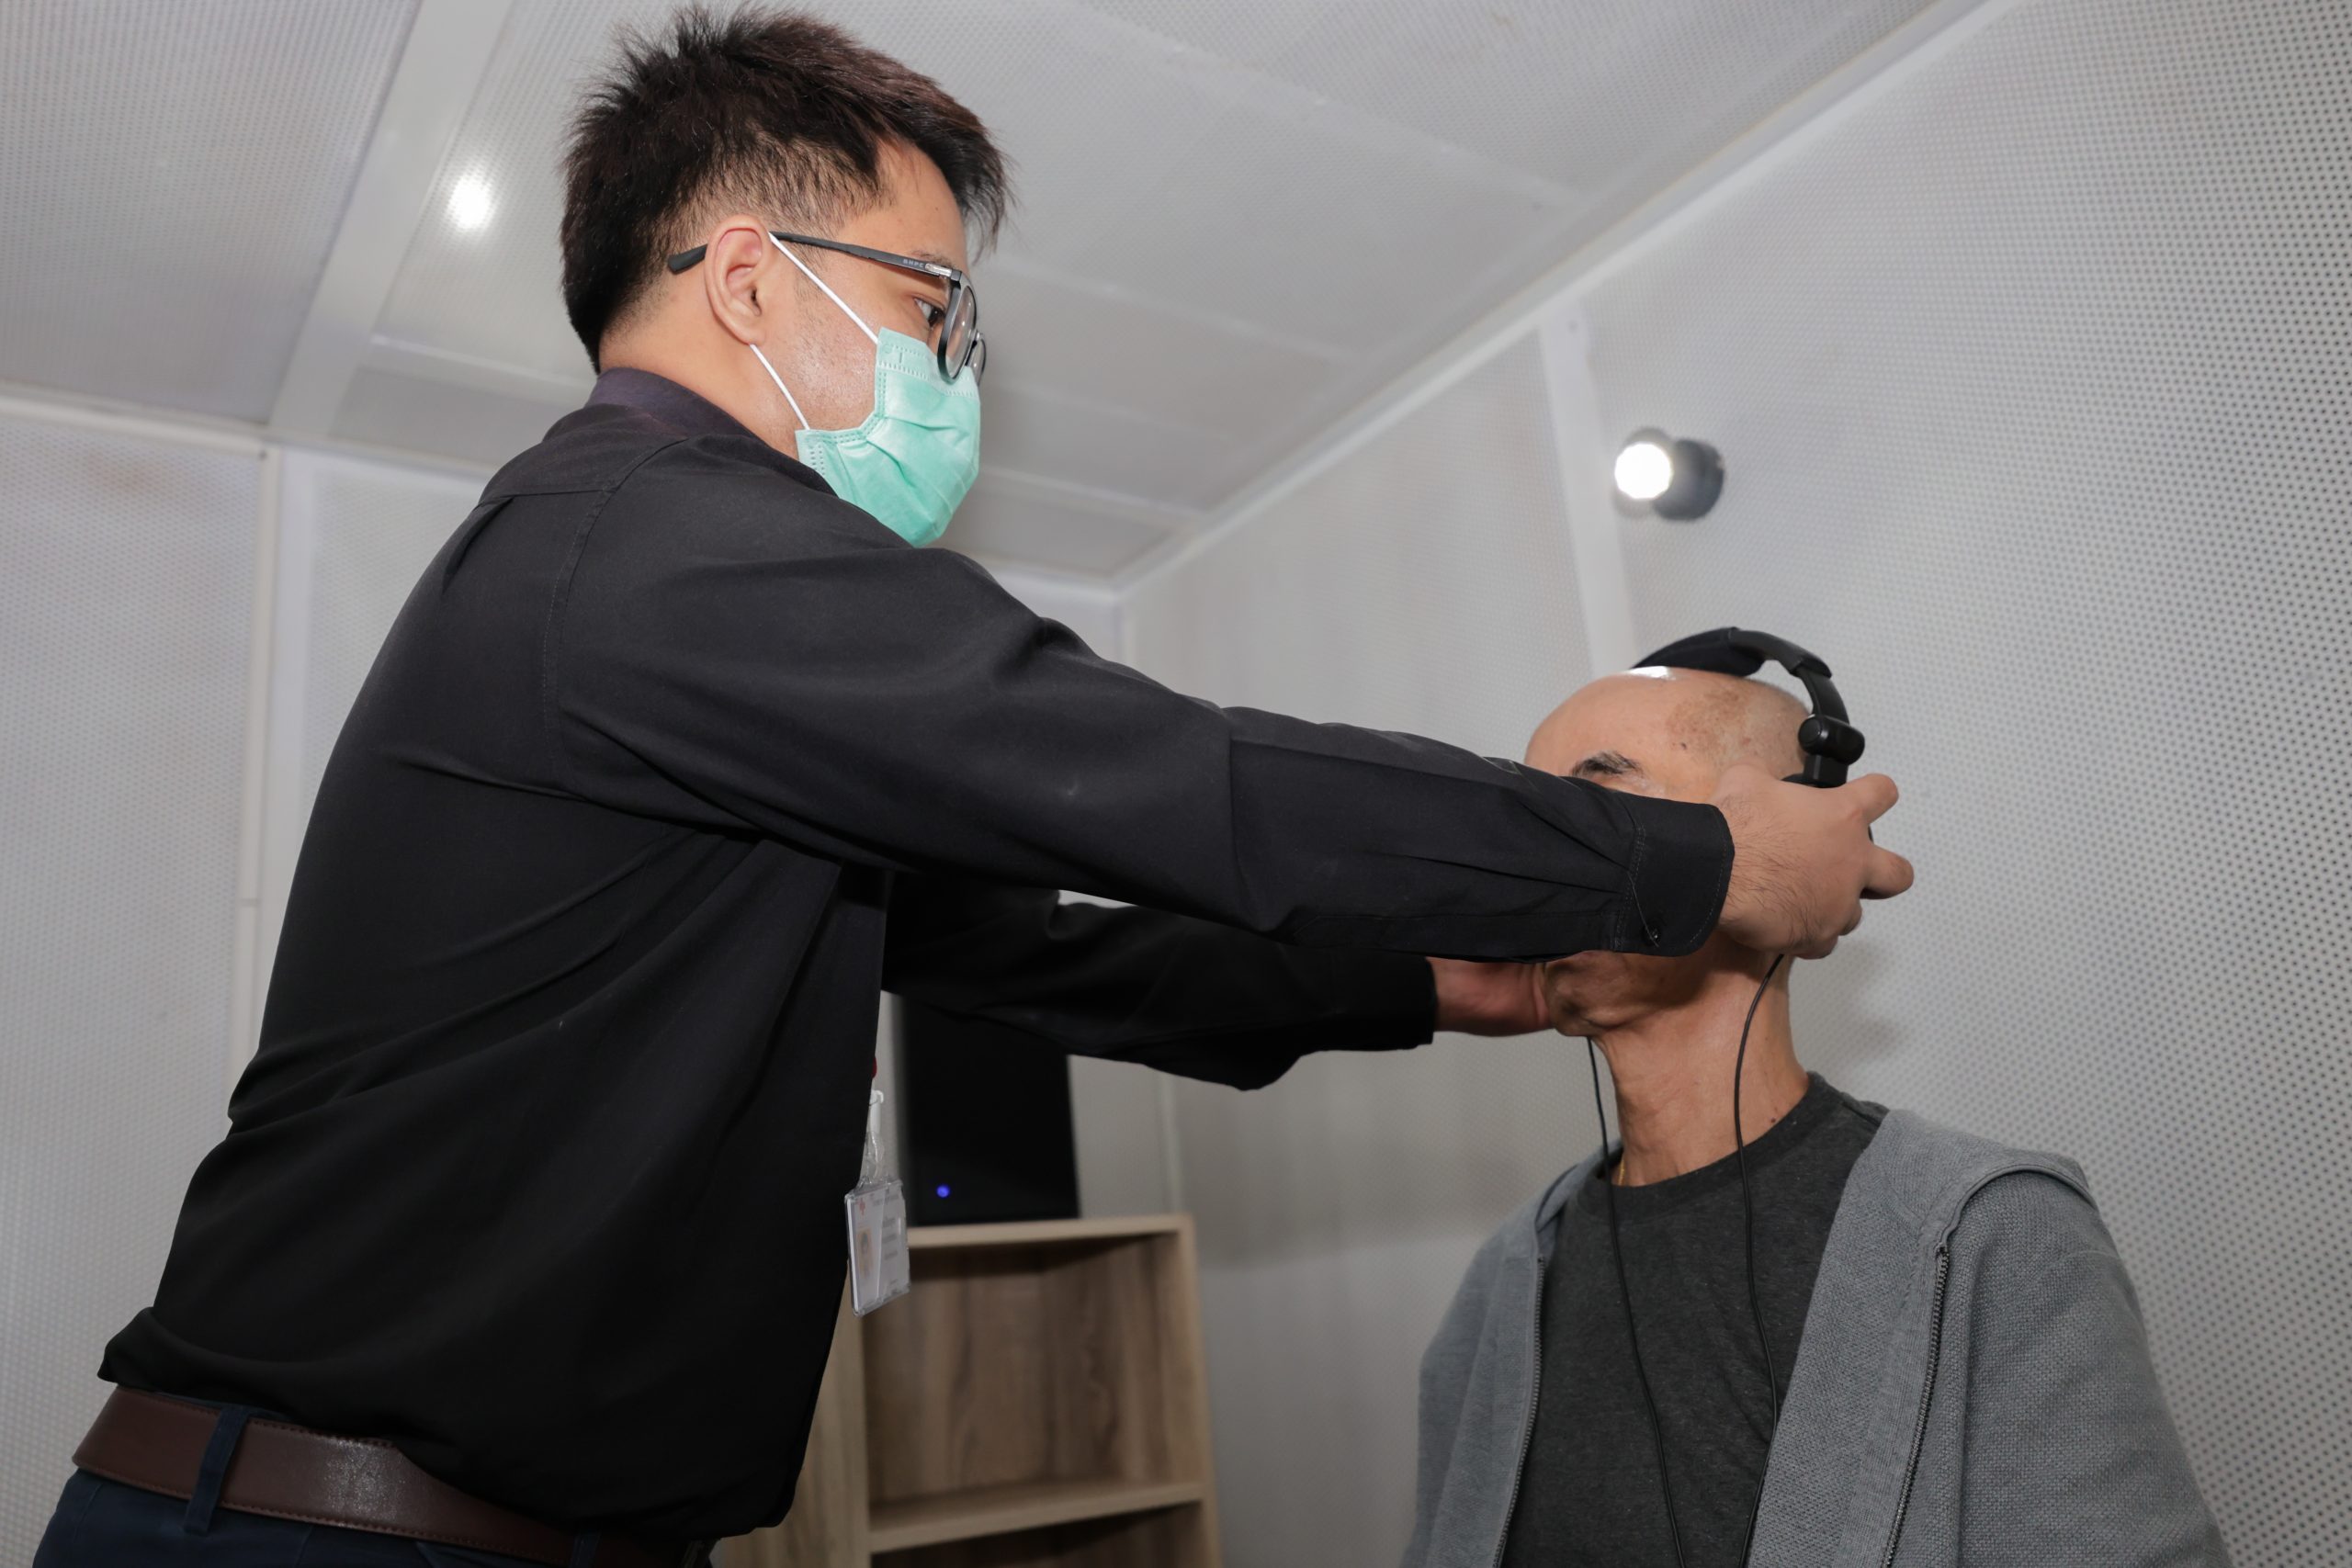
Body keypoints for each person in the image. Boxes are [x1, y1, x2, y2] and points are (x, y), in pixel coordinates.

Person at [35, 12, 1911, 1568]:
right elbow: (1175, 777)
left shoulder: (669, 624)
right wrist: (1692, 858)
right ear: (750, 281)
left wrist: (1416, 980)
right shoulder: (652, 537)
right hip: (330, 1531)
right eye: (931, 303)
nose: (949, 363)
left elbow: (1035, 949)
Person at [1402, 660, 2225, 1567]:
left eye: (1596, 809)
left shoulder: (1989, 1232)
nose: (1538, 864)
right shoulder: (1505, 1280)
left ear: (1788, 841)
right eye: (1531, 823)